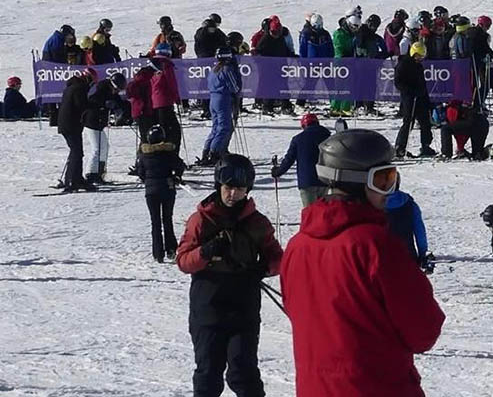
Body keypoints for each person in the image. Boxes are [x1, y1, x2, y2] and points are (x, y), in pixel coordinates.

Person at [280, 129, 445, 396]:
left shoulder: (297, 246)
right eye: (383, 180)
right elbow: (424, 330)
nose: (388, 192)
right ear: (357, 183)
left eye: (391, 178)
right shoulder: (375, 246)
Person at [176, 154, 283, 397]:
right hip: (208, 305)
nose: (233, 194)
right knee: (208, 374)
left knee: (243, 373)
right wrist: (205, 252)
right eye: (228, 188)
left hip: (243, 306)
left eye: (240, 189)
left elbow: (279, 258)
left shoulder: (257, 223)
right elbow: (183, 261)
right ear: (219, 186)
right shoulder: (201, 221)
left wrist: (263, 268)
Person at [136, 125, 186, 262]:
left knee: (155, 221)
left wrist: (147, 180)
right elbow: (180, 166)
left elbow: (140, 173)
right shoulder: (168, 153)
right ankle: (171, 249)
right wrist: (177, 176)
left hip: (151, 191)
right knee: (167, 219)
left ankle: (158, 253)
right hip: (167, 188)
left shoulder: (144, 155)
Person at [270, 113, 332, 207]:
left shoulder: (298, 139)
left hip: (307, 181)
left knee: (309, 214)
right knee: (322, 213)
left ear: (303, 125)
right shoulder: (328, 137)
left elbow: (289, 159)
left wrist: (278, 171)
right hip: (325, 179)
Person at [394, 42, 436, 158]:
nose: (420, 58)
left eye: (422, 56)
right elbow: (398, 82)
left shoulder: (419, 66)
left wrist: (427, 100)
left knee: (425, 122)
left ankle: (426, 145)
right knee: (408, 122)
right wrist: (410, 91)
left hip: (421, 97)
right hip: (409, 98)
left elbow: (423, 84)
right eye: (418, 56)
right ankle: (400, 147)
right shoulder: (403, 64)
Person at [82, 72, 127, 183]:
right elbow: (91, 101)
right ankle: (91, 173)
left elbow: (119, 102)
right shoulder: (100, 88)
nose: (116, 92)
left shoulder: (111, 90)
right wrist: (104, 104)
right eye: (116, 89)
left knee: (104, 147)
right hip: (91, 122)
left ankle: (100, 172)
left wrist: (123, 111)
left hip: (100, 123)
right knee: (97, 148)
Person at [200, 49, 242, 166]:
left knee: (216, 127)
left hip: (213, 99)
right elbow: (234, 86)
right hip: (223, 99)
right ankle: (215, 152)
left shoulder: (214, 69)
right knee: (224, 127)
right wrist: (237, 92)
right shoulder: (227, 69)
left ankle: (207, 151)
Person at [57, 68, 97, 191]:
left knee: (77, 152)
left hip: (67, 124)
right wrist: (94, 105)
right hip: (71, 125)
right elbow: (81, 105)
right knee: (76, 152)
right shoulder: (79, 88)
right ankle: (71, 180)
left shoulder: (72, 86)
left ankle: (77, 179)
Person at [385, 190, 430, 268]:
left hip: (382, 259)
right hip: (408, 257)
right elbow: (420, 232)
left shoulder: (373, 205)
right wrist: (423, 254)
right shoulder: (409, 203)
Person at [150, 44, 182, 150]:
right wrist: (177, 98)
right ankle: (172, 155)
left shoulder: (151, 64)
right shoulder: (166, 64)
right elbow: (171, 83)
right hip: (165, 101)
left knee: (161, 129)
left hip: (154, 101)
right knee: (174, 131)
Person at [330, 9, 361, 115]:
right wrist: (344, 56)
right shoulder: (339, 34)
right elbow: (338, 48)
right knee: (339, 86)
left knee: (349, 85)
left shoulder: (352, 35)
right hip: (340, 63)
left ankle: (346, 108)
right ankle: (335, 107)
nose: (354, 30)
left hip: (350, 62)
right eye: (353, 27)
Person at [126, 65, 156, 144]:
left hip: (138, 111)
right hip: (143, 111)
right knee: (146, 137)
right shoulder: (145, 81)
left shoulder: (138, 80)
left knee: (145, 136)